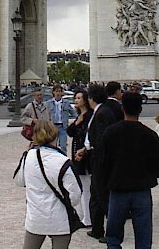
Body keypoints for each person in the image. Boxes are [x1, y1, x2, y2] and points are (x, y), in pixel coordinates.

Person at [100, 92, 159, 249]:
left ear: (122, 109)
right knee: (143, 238)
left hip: (118, 189)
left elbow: (102, 164)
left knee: (114, 238)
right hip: (142, 189)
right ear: (141, 110)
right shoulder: (149, 135)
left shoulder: (110, 133)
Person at [14, 120, 83, 249]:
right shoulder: (63, 161)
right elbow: (75, 194)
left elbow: (19, 180)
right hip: (59, 218)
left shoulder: (28, 156)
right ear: (55, 135)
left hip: (35, 216)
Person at [76, 83, 116, 243]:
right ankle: (97, 228)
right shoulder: (101, 111)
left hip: (100, 161)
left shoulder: (102, 114)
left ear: (91, 98)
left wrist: (89, 151)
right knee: (96, 195)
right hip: (97, 159)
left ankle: (111, 232)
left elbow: (101, 140)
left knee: (103, 197)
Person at [66, 89, 93, 226]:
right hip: (77, 154)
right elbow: (69, 132)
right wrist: (77, 122)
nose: (76, 100)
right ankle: (87, 216)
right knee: (83, 186)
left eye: (79, 98)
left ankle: (87, 218)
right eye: (75, 98)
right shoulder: (80, 116)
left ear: (85, 100)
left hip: (84, 155)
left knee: (85, 187)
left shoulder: (89, 116)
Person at [47, 84, 76, 152]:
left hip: (62, 126)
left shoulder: (66, 102)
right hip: (53, 126)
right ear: (53, 92)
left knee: (63, 146)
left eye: (59, 91)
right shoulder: (48, 103)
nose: (58, 93)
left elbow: (73, 112)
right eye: (56, 91)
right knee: (52, 146)